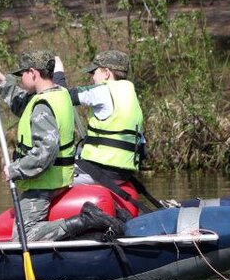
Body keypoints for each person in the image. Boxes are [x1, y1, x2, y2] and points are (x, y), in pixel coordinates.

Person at [0, 51, 124, 241]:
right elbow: (20, 102)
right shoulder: (59, 93)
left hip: (43, 184)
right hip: (58, 179)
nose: (21, 78)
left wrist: (15, 169)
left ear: (33, 73)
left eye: (22, 74)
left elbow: (45, 151)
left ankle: (85, 221)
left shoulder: (43, 105)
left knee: (23, 237)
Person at [55, 51, 155, 209]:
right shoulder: (130, 95)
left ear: (107, 73)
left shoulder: (102, 91)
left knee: (49, 175)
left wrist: (58, 73)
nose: (92, 78)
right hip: (123, 173)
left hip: (101, 170)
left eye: (94, 73)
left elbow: (60, 97)